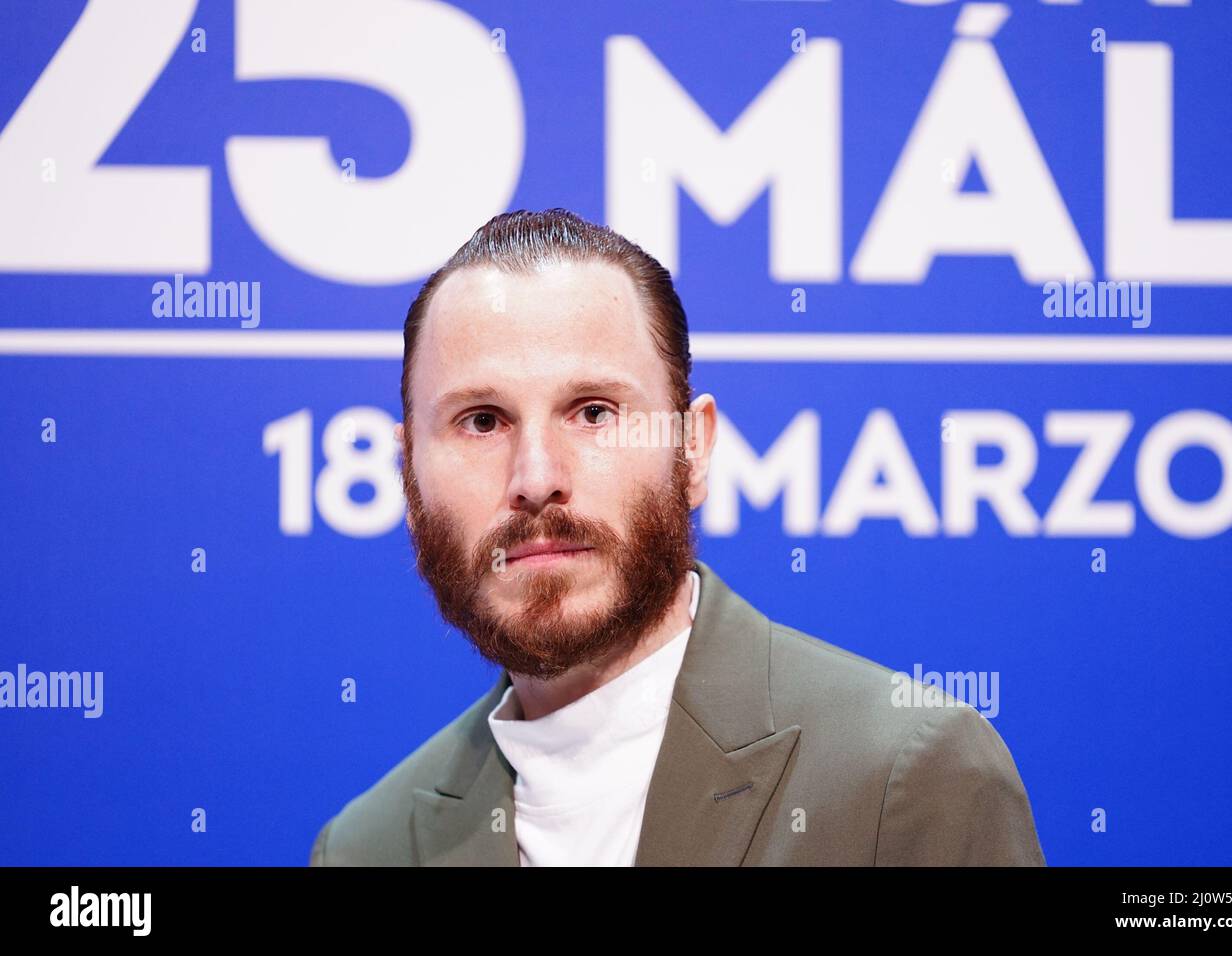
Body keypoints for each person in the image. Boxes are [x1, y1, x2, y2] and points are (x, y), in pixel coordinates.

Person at [309, 208, 1046, 866]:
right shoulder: (366, 848)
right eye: (481, 421)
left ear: (692, 450)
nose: (536, 477)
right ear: (408, 475)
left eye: (594, 412)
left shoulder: (904, 776)